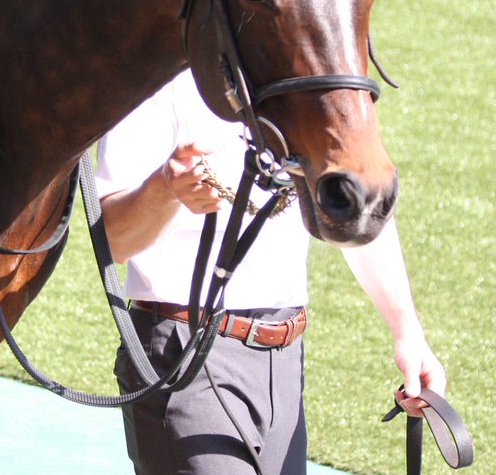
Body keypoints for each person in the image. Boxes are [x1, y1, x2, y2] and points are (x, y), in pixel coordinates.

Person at [96, 69, 447, 474]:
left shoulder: (311, 76)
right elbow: (115, 240)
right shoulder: (159, 76)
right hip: (185, 356)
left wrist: (408, 332)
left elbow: (359, 210)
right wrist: (165, 190)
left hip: (285, 362)